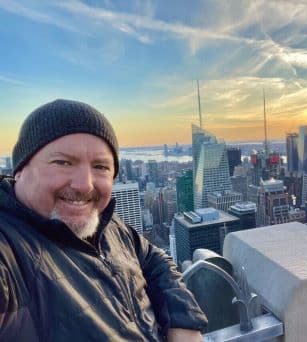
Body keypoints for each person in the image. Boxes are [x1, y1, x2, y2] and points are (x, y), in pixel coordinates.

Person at [0, 99, 207, 341]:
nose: (85, 184)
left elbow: (153, 258)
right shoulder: (9, 250)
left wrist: (183, 323)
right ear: (21, 169)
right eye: (63, 162)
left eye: (101, 166)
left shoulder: (107, 223)